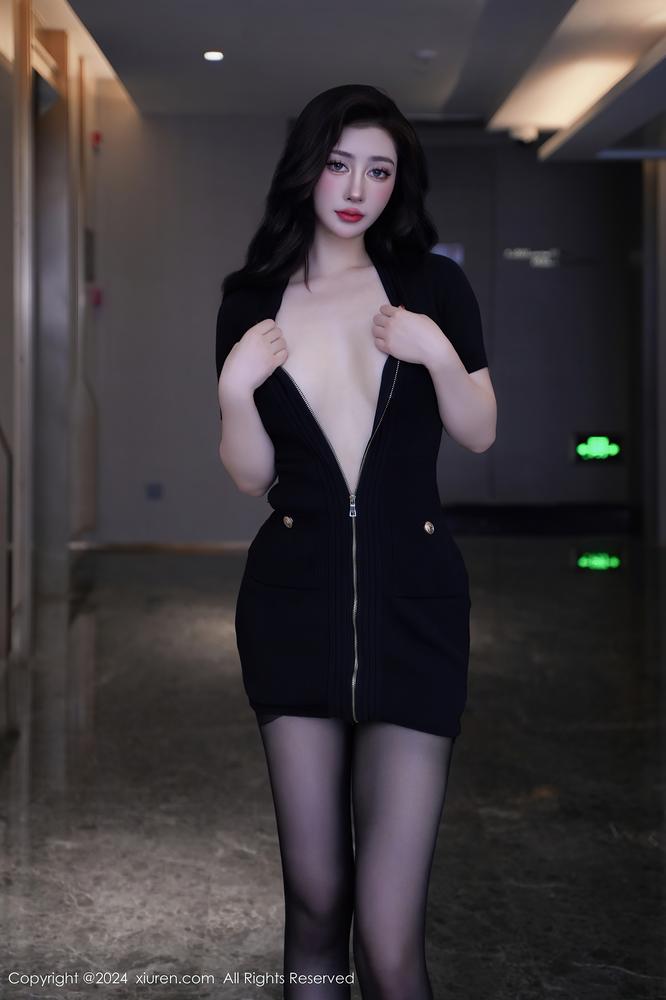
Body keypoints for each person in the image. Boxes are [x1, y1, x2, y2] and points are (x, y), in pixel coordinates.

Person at [215, 84, 497, 999]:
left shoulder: (433, 287)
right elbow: (251, 476)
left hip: (416, 608)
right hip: (291, 609)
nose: (355, 189)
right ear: (308, 169)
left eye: (378, 171)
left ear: (396, 183)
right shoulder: (251, 300)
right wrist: (234, 390)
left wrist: (437, 352)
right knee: (315, 904)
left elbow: (479, 430)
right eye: (339, 164)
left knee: (386, 931)